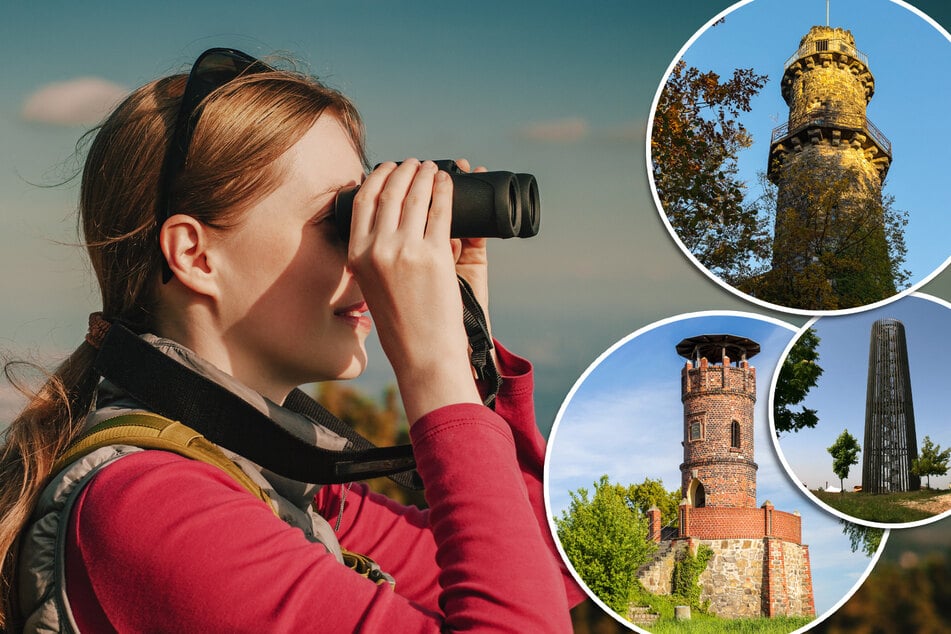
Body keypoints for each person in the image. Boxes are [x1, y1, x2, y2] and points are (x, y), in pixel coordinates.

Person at [0, 48, 583, 632]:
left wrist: (464, 340)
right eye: (340, 221)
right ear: (195, 255)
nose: (365, 254)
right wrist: (432, 368)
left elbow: (550, 566)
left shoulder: (267, 470)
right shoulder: (150, 507)